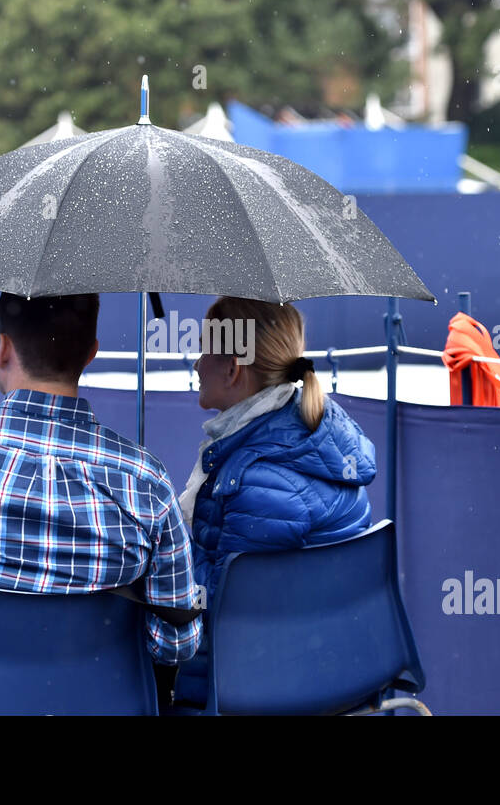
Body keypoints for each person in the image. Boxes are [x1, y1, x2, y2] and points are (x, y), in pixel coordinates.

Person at [0, 292, 202, 715]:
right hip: (101, 703)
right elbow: (177, 643)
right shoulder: (146, 478)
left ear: (2, 347)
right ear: (90, 354)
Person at [168, 295, 377, 708]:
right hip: (338, 670)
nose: (195, 364)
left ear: (232, 369)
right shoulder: (317, 438)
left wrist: (158, 554)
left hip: (260, 686)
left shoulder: (254, 481)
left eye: (205, 351)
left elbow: (223, 614)